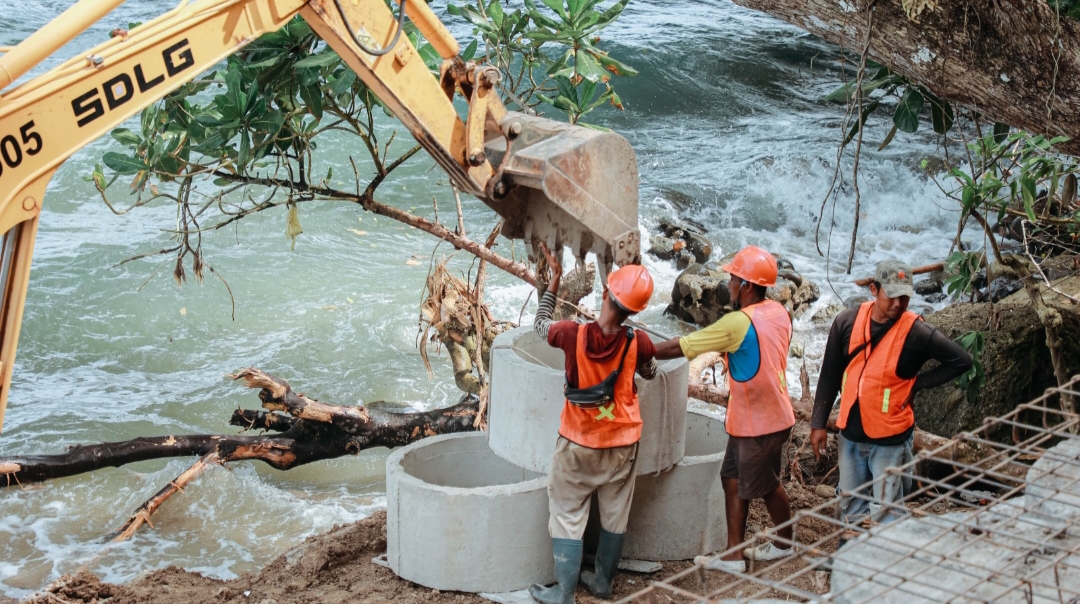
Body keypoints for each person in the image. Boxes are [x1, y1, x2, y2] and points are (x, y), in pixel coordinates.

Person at [529, 243, 658, 604]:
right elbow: (650, 371)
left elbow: (540, 324)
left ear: (605, 293)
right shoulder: (639, 340)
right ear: (635, 310)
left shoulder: (573, 334)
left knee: (568, 512)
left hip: (578, 441)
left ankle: (565, 592)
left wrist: (553, 280)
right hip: (623, 443)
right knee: (616, 513)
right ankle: (602, 582)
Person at [654, 245, 796, 572]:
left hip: (761, 422)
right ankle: (734, 555)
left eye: (733, 278)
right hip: (756, 416)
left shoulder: (737, 323)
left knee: (767, 485)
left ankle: (785, 545)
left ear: (746, 285)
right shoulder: (778, 311)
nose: (729, 284)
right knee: (731, 477)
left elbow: (683, 346)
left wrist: (639, 348)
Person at [810, 259, 972, 532]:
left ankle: (886, 564)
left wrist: (918, 384)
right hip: (850, 435)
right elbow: (829, 374)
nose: (899, 303)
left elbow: (961, 361)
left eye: (905, 297)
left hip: (891, 440)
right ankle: (853, 562)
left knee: (887, 511)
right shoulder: (846, 322)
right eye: (892, 295)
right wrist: (817, 423)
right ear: (874, 289)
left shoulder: (916, 332)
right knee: (850, 505)